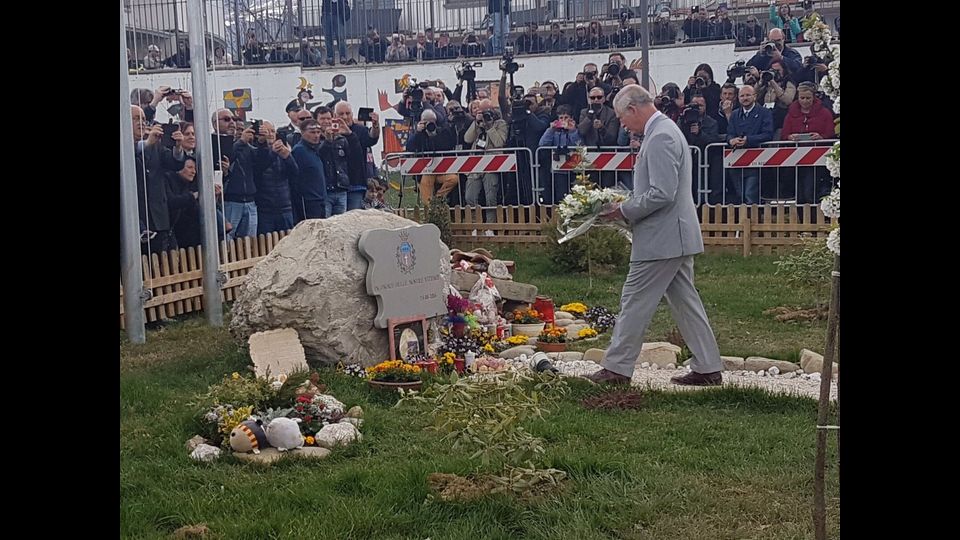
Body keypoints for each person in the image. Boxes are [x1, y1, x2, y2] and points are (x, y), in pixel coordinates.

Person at [586, 85, 724, 387]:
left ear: (634, 109)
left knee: (634, 300)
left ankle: (617, 368)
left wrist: (624, 211)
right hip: (675, 234)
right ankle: (708, 366)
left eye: (623, 118)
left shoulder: (660, 136)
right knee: (686, 302)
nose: (623, 124)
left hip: (662, 238)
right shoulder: (665, 131)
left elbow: (661, 193)